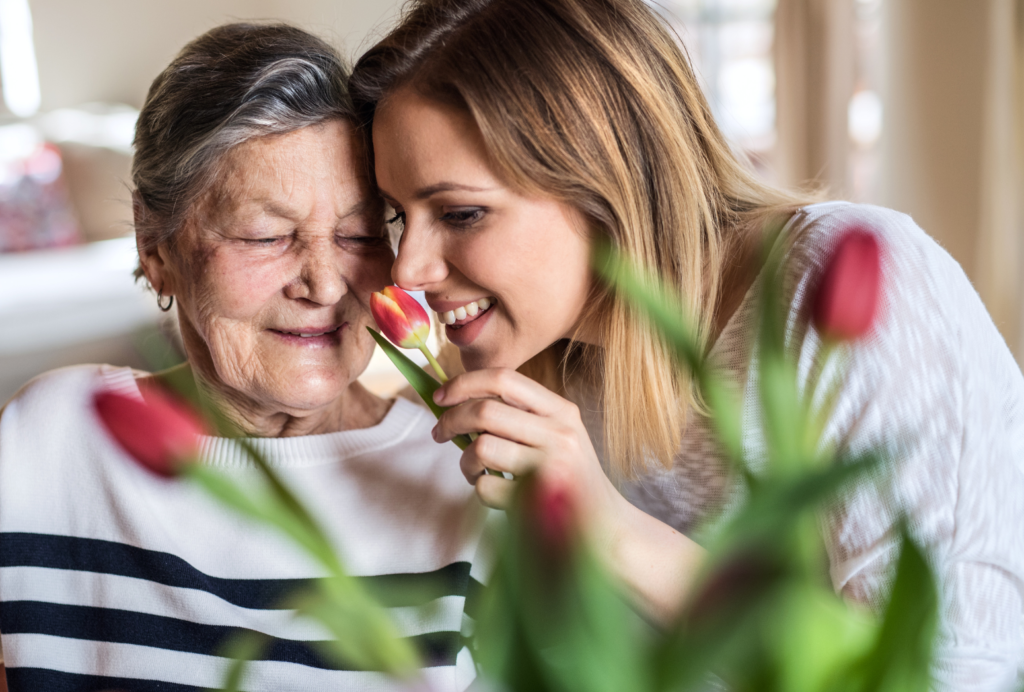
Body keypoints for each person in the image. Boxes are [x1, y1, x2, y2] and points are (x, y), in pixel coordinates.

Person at [348, 0, 1024, 689]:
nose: (409, 269)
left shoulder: (842, 290)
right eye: (401, 216)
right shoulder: (541, 357)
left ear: (601, 175)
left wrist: (609, 527)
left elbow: (942, 671)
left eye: (461, 213)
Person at [0, 23, 492, 692]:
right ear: (155, 246)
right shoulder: (50, 440)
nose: (323, 284)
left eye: (359, 234)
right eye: (267, 236)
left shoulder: (463, 473)